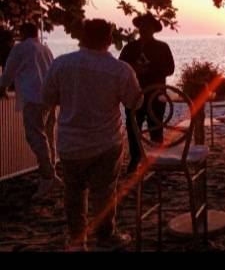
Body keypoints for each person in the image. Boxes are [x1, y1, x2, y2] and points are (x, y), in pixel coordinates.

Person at [41, 19, 141, 251]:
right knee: (104, 192)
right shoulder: (120, 70)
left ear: (83, 38)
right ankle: (105, 237)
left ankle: (78, 239)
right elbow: (134, 102)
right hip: (106, 141)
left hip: (70, 142)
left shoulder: (61, 64)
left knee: (74, 193)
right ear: (109, 39)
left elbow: (47, 97)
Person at [0, 22, 58, 199]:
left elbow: (9, 71)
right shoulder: (45, 49)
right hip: (49, 97)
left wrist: (1, 87)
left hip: (33, 97)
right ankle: (51, 172)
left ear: (23, 32)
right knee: (47, 136)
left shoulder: (21, 49)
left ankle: (47, 176)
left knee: (35, 136)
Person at [118, 13, 174, 173]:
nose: (144, 29)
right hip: (134, 94)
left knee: (156, 127)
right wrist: (135, 70)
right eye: (142, 26)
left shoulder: (163, 47)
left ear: (153, 29)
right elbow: (121, 67)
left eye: (148, 27)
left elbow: (170, 69)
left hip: (156, 94)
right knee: (132, 126)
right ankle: (135, 158)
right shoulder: (130, 47)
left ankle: (158, 160)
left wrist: (149, 70)